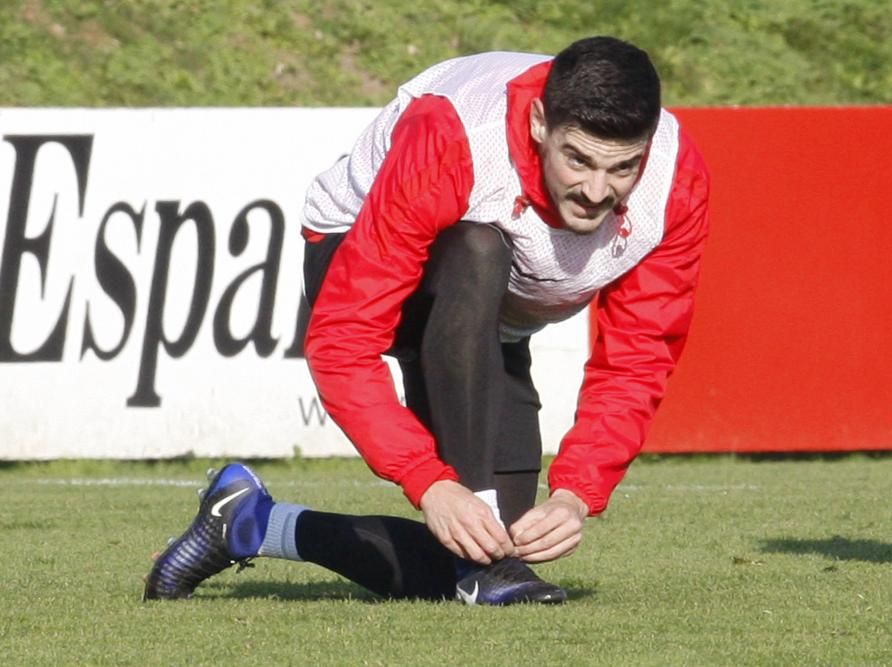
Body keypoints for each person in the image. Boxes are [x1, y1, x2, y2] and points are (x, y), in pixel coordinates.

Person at [144, 35, 710, 605]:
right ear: (540, 123)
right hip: (353, 253)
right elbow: (342, 342)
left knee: (489, 563)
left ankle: (251, 522)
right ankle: (474, 518)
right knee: (477, 248)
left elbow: (639, 354)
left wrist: (577, 493)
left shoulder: (675, 181)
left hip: (492, 317)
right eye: (578, 160)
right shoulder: (453, 137)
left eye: (621, 168)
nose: (595, 192)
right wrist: (430, 481)